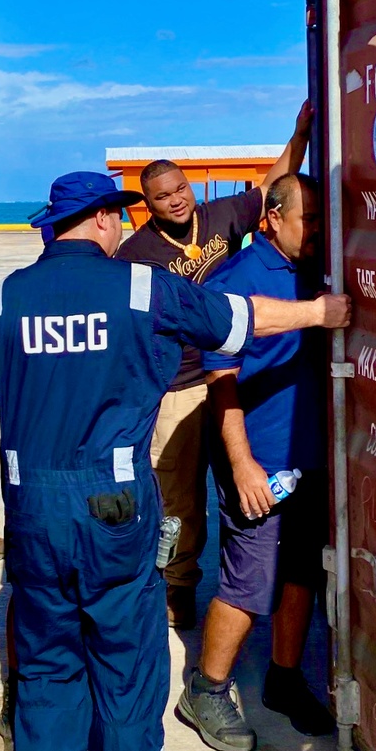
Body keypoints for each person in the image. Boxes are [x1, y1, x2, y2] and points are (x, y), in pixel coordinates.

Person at [0, 171, 351, 751]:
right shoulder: (140, 290)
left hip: (33, 512)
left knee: (45, 670)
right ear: (104, 220)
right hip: (110, 510)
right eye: (119, 215)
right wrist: (320, 313)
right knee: (127, 667)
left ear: (52, 228)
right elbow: (241, 319)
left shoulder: (2, 301)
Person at [117, 100, 314, 630]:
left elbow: (276, 185)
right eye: (162, 197)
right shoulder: (136, 254)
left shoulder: (223, 215)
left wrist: (299, 133)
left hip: (230, 375)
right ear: (148, 205)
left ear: (188, 187)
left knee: (240, 481)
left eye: (180, 189)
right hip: (177, 388)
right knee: (178, 497)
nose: (176, 201)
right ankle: (179, 585)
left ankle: (245, 575)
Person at [178, 174, 335, 751]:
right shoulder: (236, 280)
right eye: (309, 220)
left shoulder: (316, 271)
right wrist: (241, 465)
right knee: (249, 584)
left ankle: (284, 679)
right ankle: (207, 688)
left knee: (301, 573)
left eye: (322, 219)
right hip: (259, 460)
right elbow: (219, 381)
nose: (318, 231)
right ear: (271, 218)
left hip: (310, 457)